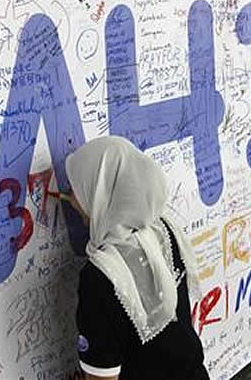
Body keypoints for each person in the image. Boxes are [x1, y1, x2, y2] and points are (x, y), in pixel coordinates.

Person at [63, 135, 210, 380]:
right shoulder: (162, 231)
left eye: (77, 189)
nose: (72, 199)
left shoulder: (99, 277)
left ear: (101, 193)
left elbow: (102, 377)